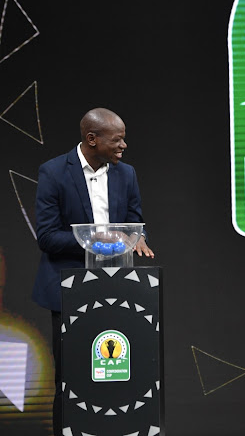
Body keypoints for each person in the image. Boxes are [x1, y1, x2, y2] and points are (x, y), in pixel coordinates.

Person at [33, 107, 154, 436]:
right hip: (69, 289)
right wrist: (95, 241)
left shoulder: (126, 174)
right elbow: (47, 237)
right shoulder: (54, 172)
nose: (123, 146)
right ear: (91, 139)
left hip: (117, 288)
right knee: (71, 376)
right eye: (117, 140)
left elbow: (134, 220)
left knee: (117, 371)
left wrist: (138, 237)